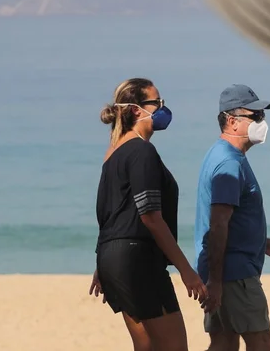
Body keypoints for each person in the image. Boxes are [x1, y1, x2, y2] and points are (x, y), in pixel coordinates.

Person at [90, 77, 208, 351]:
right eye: (157, 102)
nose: (163, 108)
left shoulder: (112, 153)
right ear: (135, 110)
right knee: (174, 347)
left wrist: (103, 262)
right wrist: (186, 270)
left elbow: (108, 214)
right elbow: (150, 217)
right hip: (137, 259)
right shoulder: (142, 151)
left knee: (147, 347)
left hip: (114, 258)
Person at [195, 84, 270, 351]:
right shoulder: (229, 162)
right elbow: (217, 224)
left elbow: (228, 219)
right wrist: (215, 281)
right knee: (260, 341)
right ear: (232, 121)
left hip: (226, 268)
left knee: (224, 343)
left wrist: (262, 242)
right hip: (233, 273)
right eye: (256, 116)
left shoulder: (222, 155)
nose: (262, 122)